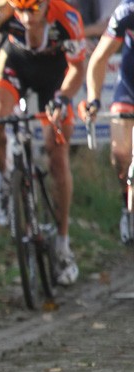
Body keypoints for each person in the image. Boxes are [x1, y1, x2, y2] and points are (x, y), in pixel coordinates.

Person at [0, 0, 86, 285]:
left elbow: (78, 68)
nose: (25, 18)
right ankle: (6, 181)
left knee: (57, 153)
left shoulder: (67, 18)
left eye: (32, 10)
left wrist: (63, 98)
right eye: (19, 10)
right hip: (15, 63)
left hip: (55, 76)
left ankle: (62, 242)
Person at [85, 0, 134, 243]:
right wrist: (93, 99)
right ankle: (126, 203)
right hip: (129, 86)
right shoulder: (127, 12)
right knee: (121, 153)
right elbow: (98, 60)